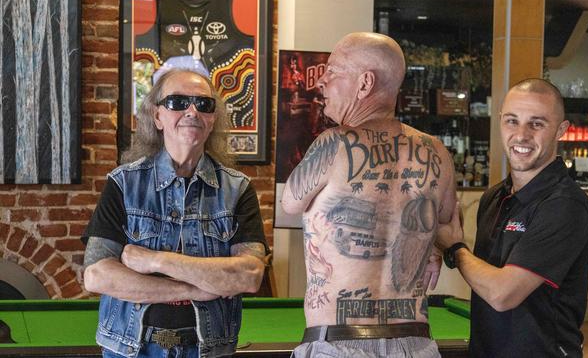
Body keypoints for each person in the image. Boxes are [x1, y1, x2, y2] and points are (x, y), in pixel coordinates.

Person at [281, 32, 457, 358]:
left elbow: (289, 204)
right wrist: (431, 246)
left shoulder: (331, 144)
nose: (322, 82)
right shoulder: (437, 153)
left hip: (339, 342)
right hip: (415, 342)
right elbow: (449, 229)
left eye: (333, 71)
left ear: (364, 84)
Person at [82, 68, 268, 358]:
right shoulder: (123, 183)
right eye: (178, 102)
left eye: (203, 104)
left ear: (212, 118)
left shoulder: (238, 190)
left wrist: (156, 260)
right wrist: (194, 288)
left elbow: (249, 276)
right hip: (130, 350)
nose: (192, 111)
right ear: (157, 116)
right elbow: (98, 276)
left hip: (208, 350)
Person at [436, 78, 588, 357]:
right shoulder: (494, 197)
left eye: (536, 123)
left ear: (561, 130)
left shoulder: (565, 205)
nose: (521, 135)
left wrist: (455, 249)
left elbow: (502, 294)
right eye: (511, 121)